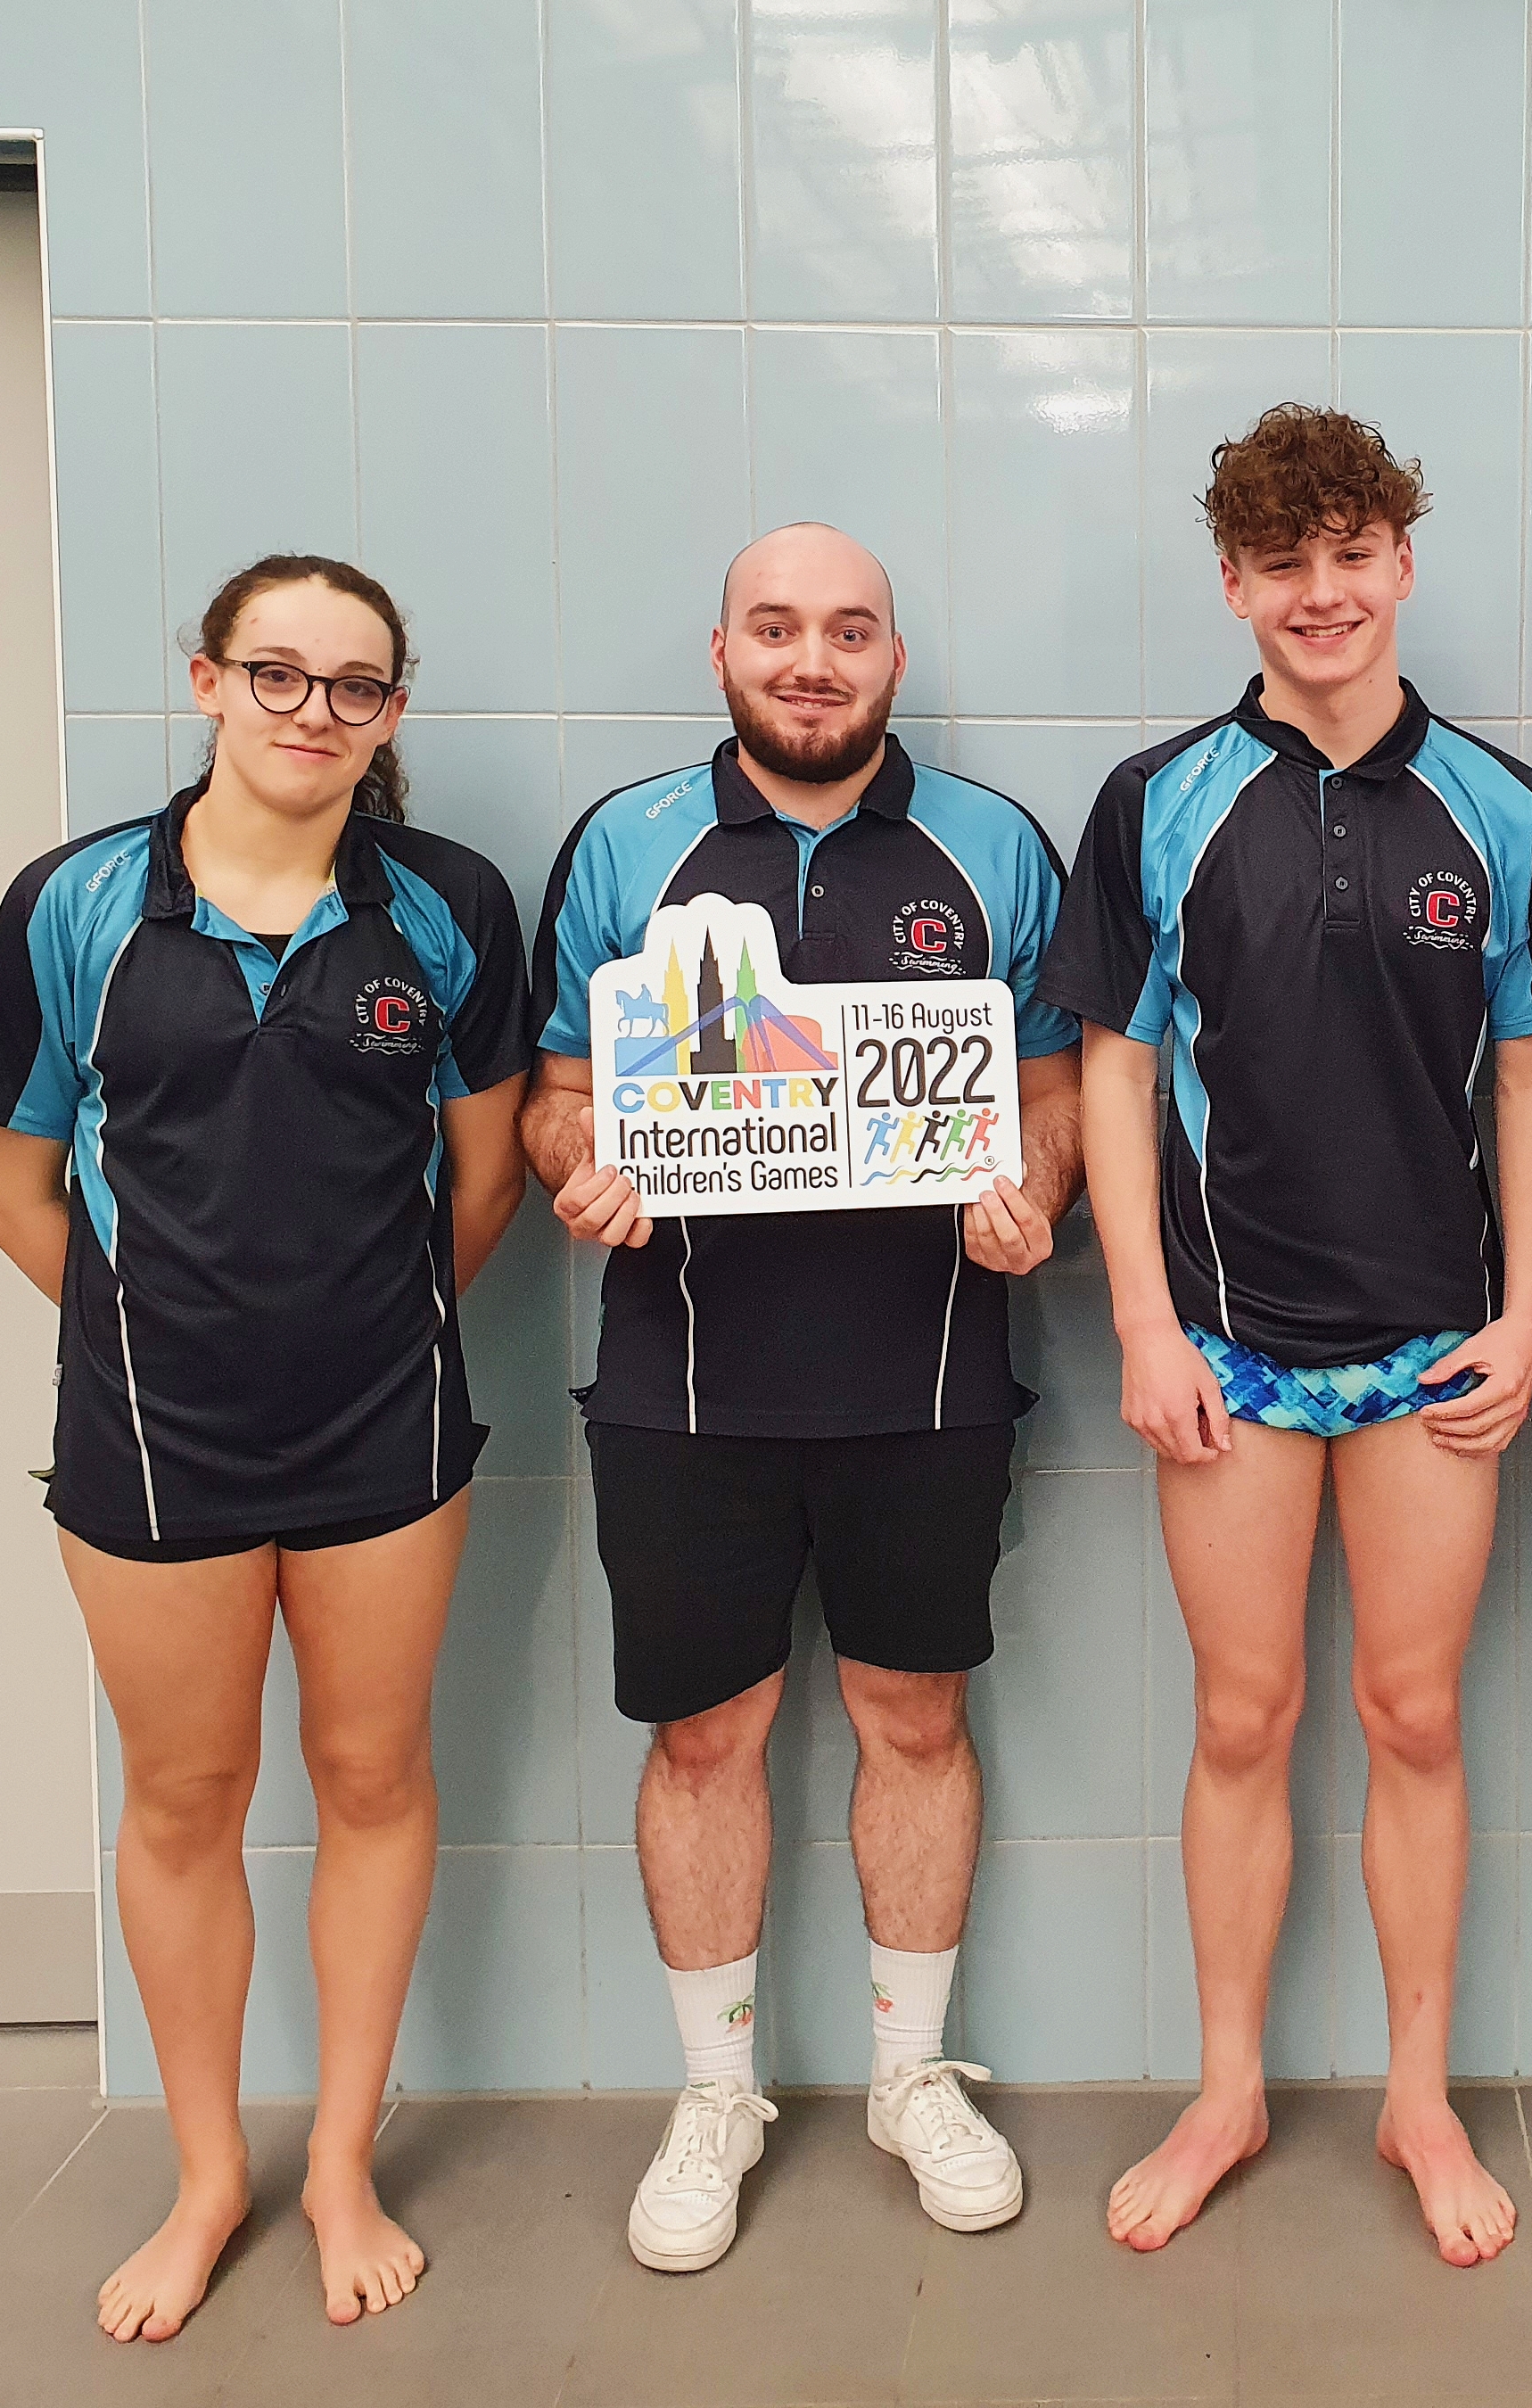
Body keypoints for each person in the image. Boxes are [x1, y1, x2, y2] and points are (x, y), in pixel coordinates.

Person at [0, 555, 531, 2339]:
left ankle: (343, 2159)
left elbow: (487, 1174)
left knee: (373, 1783)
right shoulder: (74, 907)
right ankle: (212, 2177)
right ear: (205, 680)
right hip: (151, 1442)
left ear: (392, 716)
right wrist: (161, 1329)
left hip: (385, 1428)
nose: (311, 711)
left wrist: (364, 1327)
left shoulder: (445, 906)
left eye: (354, 684)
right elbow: (8, 1183)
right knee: (187, 1804)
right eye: (276, 673)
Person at [519, 522, 1084, 2272]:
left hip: (929, 1380)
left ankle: (915, 2080)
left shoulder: (991, 846)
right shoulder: (627, 846)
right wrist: (584, 1157)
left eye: (849, 630)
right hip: (684, 1383)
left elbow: (1054, 1089)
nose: (812, 659)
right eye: (777, 628)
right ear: (723, 654)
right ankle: (717, 2096)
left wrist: (1038, 1189)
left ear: (893, 661)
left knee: (918, 1725)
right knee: (705, 1744)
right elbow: (553, 1091)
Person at [1047, 406, 1532, 2268]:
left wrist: (1524, 1306)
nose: (1323, 593)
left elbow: (1531, 1064)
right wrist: (1144, 1317)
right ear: (1236, 585)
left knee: (1414, 1714)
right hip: (1236, 1346)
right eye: (1286, 564)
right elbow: (1115, 1066)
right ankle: (1229, 2086)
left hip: (1434, 1340)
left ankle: (1418, 2101)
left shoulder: (1502, 809)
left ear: (1404, 563)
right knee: (1247, 1714)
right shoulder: (1162, 800)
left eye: (1353, 554)